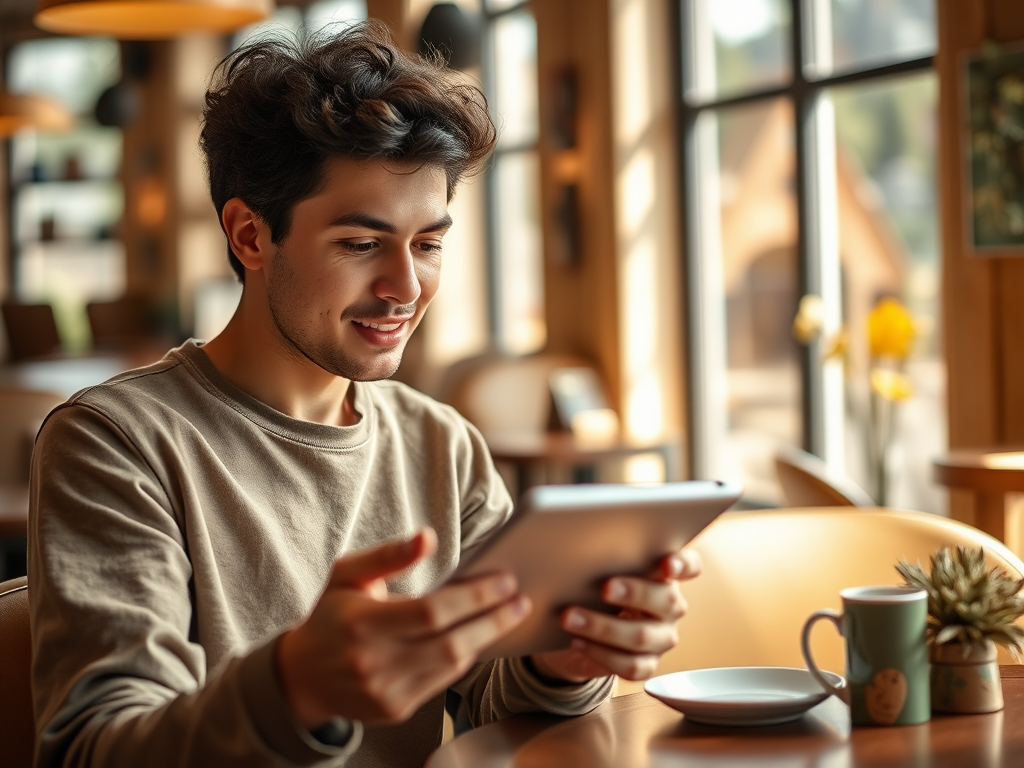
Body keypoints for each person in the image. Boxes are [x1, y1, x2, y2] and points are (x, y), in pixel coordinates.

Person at [27, 21, 701, 768]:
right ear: (250, 236)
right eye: (360, 243)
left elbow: (492, 702)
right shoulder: (113, 443)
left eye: (429, 244)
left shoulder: (442, 445)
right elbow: (94, 750)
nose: (406, 289)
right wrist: (293, 690)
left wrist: (560, 661)